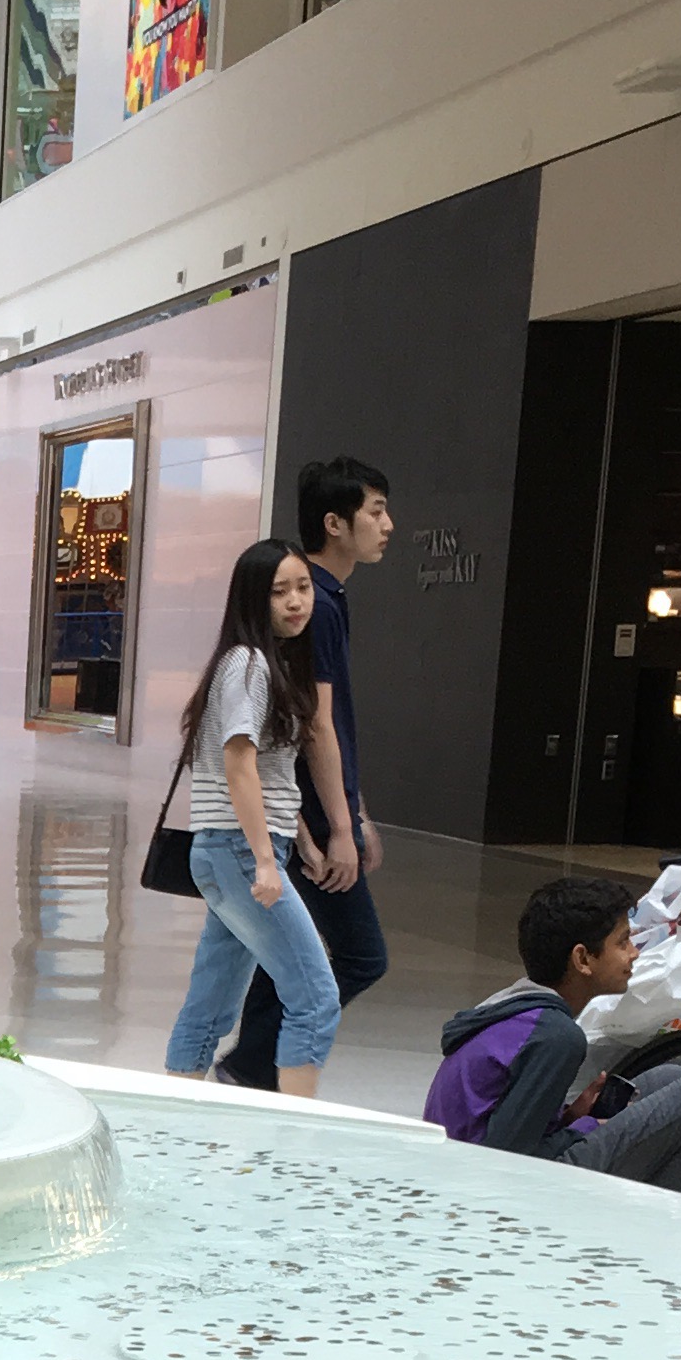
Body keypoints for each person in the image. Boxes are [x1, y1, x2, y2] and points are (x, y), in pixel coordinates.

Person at [160, 537, 355, 1099]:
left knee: (212, 1003)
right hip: (240, 852)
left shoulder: (259, 663)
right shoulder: (248, 665)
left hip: (232, 850)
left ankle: (172, 1117)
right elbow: (238, 763)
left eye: (303, 588)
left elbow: (267, 774)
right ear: (253, 599)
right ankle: (296, 1130)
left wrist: (301, 842)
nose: (296, 601)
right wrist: (267, 861)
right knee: (315, 997)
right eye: (279, 591)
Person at [224, 453, 394, 1089]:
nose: (387, 525)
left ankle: (250, 1068)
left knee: (287, 953)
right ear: (334, 523)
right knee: (360, 955)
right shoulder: (316, 605)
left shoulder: (327, 600)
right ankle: (251, 1065)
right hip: (307, 814)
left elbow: (326, 725)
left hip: (312, 810)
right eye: (376, 511)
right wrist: (336, 828)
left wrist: (356, 812)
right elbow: (311, 729)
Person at [423, 872, 681, 1193]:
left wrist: (566, 1119)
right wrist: (586, 1128)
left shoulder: (521, 1008)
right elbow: (508, 1158)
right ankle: (659, 1220)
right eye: (622, 942)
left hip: (466, 1168)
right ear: (583, 958)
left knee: (668, 1077)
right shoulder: (556, 1036)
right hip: (486, 1187)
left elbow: (508, 1125)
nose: (634, 953)